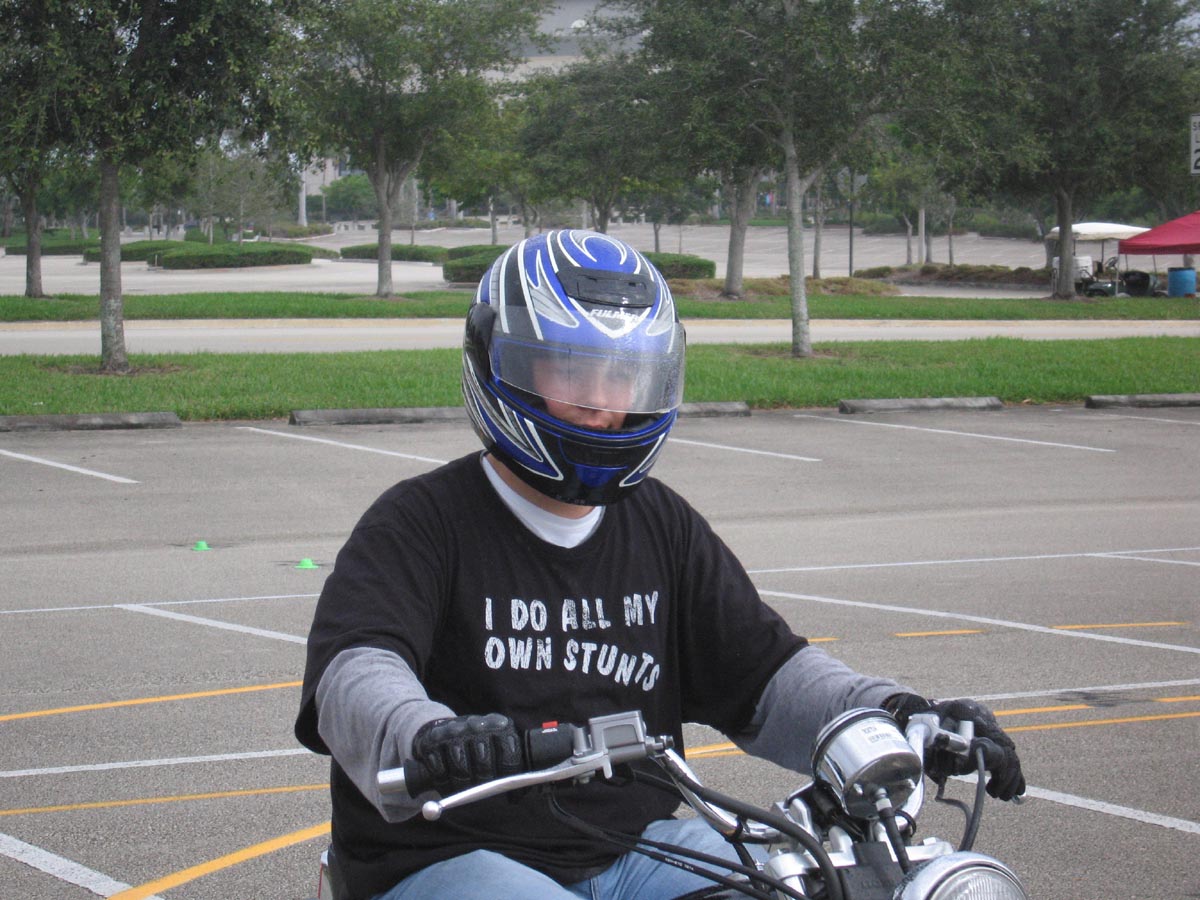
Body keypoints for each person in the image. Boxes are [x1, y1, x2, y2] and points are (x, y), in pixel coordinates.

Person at [295, 229, 1025, 900]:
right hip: (449, 851)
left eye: (622, 378)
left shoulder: (661, 525)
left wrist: (900, 713)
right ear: (500, 364)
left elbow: (769, 675)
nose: (602, 407)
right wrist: (427, 737)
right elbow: (356, 672)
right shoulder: (420, 522)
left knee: (788, 888)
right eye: (572, 373)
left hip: (634, 846)